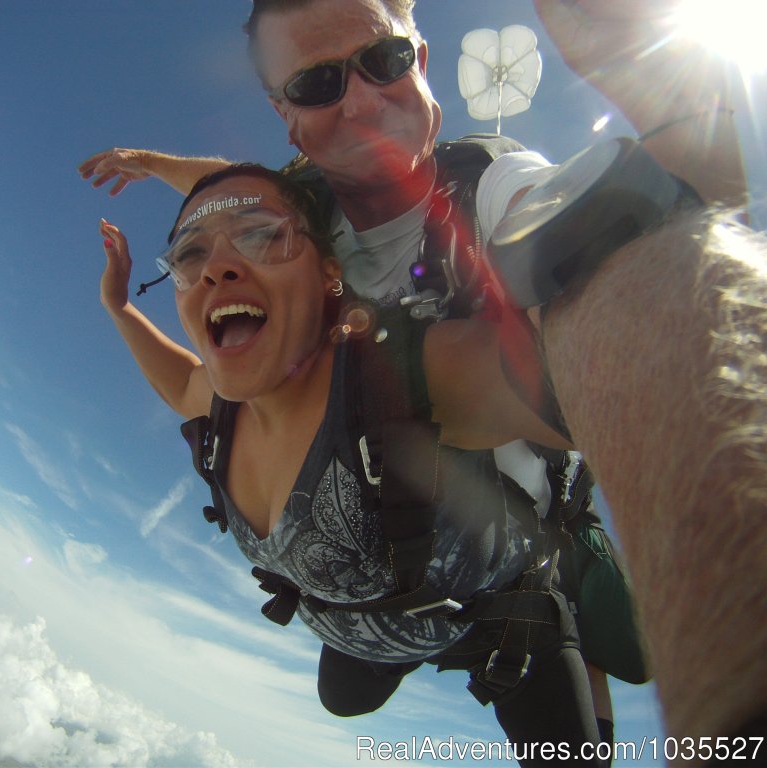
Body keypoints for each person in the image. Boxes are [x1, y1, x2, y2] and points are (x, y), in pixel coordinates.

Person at [81, 0, 691, 737]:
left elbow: (564, 242)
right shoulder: (300, 216)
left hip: (498, 573)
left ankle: (571, 584)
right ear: (287, 114)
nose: (364, 100)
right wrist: (148, 173)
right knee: (344, 694)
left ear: (421, 61)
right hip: (374, 574)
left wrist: (659, 218)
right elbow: (234, 198)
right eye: (317, 85)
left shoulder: (486, 186)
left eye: (386, 61)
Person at [99, 162, 607, 764]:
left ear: (328, 273)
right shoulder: (222, 406)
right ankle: (396, 652)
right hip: (364, 628)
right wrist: (117, 305)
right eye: (189, 256)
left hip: (502, 629)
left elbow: (608, 378)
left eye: (262, 234)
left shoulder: (397, 381)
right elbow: (181, 378)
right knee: (341, 700)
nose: (215, 267)